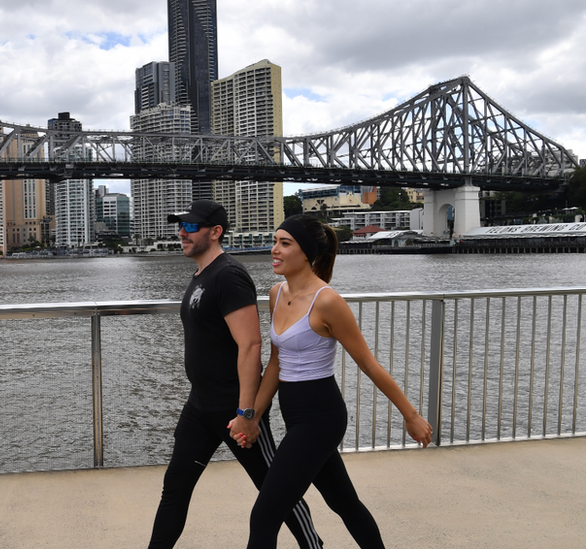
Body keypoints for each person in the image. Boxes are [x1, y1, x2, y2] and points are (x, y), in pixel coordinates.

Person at [231, 214, 433, 549]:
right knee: (345, 503)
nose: (274, 249)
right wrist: (250, 415)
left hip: (321, 418)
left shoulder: (327, 301)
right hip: (294, 416)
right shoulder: (276, 294)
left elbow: (368, 364)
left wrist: (410, 415)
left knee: (265, 515)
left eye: (285, 243)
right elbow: (277, 364)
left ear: (307, 253)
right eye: (275, 241)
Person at [148, 200, 322, 549]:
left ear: (215, 232)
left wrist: (247, 414)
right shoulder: (202, 275)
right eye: (180, 225)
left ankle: (313, 546)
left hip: (233, 408)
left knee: (276, 491)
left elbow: (250, 345)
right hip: (199, 406)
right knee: (175, 488)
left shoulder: (228, 275)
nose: (182, 232)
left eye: (191, 226)